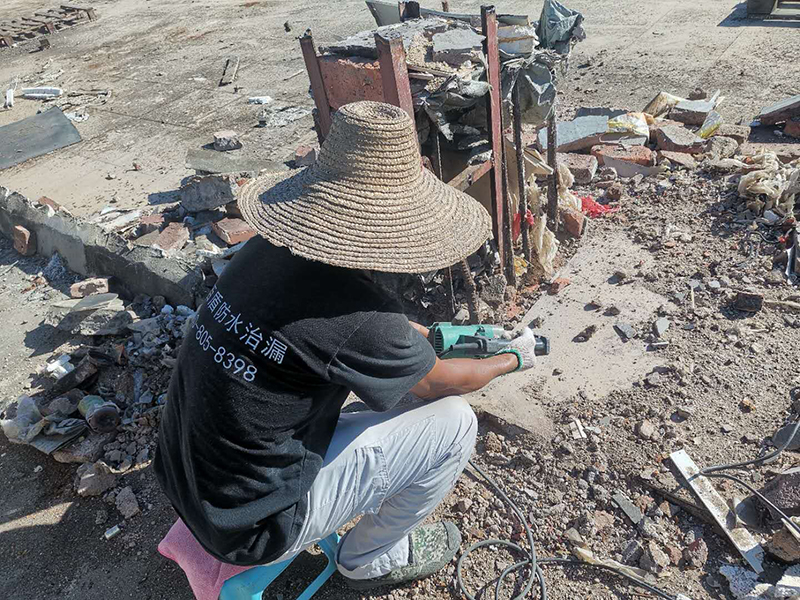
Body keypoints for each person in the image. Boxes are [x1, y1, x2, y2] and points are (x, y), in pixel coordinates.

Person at [154, 101, 539, 591]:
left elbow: (316, 337)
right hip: (251, 526)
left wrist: (406, 340)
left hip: (183, 475)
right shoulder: (359, 318)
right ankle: (369, 559)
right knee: (455, 424)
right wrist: (511, 358)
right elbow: (439, 383)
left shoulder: (261, 253)